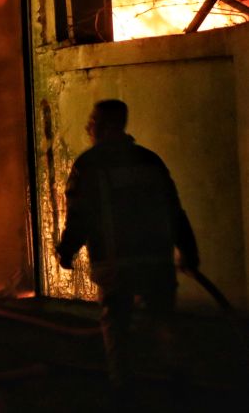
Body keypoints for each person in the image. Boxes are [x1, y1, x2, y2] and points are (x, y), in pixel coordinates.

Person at [56, 99, 200, 403]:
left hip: (115, 262)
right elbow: (174, 209)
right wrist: (188, 250)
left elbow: (80, 215)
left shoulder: (89, 164)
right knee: (163, 320)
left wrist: (66, 251)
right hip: (156, 260)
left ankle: (122, 390)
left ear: (106, 126)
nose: (88, 127)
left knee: (116, 325)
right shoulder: (150, 161)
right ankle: (180, 382)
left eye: (92, 121)